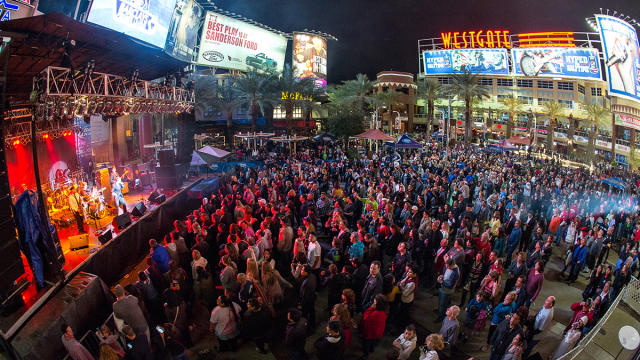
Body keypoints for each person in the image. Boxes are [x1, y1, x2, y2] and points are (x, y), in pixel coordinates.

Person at [360, 294, 388, 359]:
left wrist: (370, 308)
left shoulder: (375, 313)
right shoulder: (384, 311)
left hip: (370, 332)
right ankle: (372, 349)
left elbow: (365, 317)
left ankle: (365, 355)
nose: (374, 300)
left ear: (377, 303)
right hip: (377, 331)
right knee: (373, 341)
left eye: (375, 300)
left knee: (366, 343)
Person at [299, 265, 318, 329]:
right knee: (312, 312)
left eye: (302, 270)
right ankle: (313, 325)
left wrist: (301, 304)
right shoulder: (313, 276)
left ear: (306, 272)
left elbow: (304, 295)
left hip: (307, 301)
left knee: (305, 314)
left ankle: (306, 327)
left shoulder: (306, 283)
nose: (301, 271)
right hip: (312, 297)